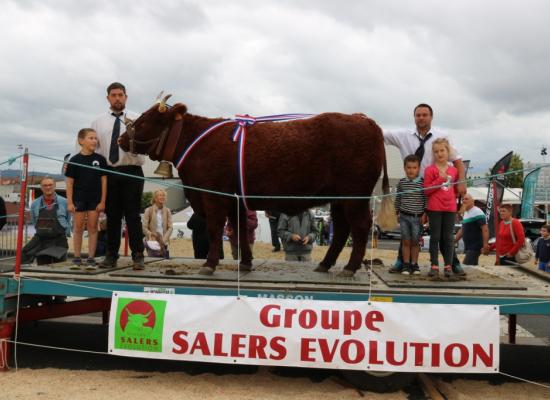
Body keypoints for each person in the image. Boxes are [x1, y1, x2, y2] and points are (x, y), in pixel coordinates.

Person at [383, 103, 467, 275]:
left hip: (439, 191)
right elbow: (379, 133)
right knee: (408, 224)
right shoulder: (403, 135)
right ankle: (402, 262)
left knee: (442, 230)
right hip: (415, 189)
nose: (421, 118)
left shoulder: (442, 136)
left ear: (431, 117)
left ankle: (452, 262)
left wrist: (462, 182)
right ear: (414, 117)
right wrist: (363, 119)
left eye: (425, 115)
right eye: (418, 115)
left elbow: (457, 160)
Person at [92, 82, 145, 270]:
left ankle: (138, 256)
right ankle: (110, 256)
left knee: (133, 216)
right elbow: (94, 150)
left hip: (132, 171)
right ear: (108, 98)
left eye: (120, 95)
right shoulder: (97, 122)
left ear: (126, 97)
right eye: (113, 95)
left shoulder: (138, 119)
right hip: (109, 172)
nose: (117, 98)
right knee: (112, 217)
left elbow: (145, 146)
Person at [65, 128, 107, 266]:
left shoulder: (100, 160)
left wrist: (102, 201)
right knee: (78, 227)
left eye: (96, 138)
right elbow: (69, 183)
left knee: (93, 227)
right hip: (79, 199)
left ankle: (90, 257)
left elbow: (104, 181)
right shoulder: (75, 160)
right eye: (91, 138)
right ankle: (77, 257)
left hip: (95, 200)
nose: (94, 140)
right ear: (81, 141)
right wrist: (70, 202)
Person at [424, 138, 459, 278]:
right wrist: (440, 179)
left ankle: (448, 266)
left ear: (447, 151)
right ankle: (434, 265)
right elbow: (426, 190)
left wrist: (455, 204)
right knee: (435, 237)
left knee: (449, 238)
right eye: (436, 151)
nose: (439, 154)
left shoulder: (454, 170)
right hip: (435, 207)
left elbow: (455, 189)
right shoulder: (429, 170)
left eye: (442, 150)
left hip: (450, 208)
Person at [22, 177, 71, 265]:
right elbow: (34, 221)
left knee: (60, 269)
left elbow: (68, 219)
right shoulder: (35, 204)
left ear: (54, 186)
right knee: (42, 269)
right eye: (45, 185)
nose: (48, 187)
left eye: (50, 185)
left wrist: (66, 232)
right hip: (42, 242)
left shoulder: (65, 202)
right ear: (41, 188)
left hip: (59, 242)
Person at [393, 154, 426, 275]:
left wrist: (425, 213)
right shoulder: (402, 183)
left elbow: (425, 198)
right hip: (404, 217)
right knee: (405, 241)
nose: (411, 170)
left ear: (418, 168)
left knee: (415, 242)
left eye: (414, 167)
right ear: (404, 168)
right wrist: (396, 211)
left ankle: (414, 264)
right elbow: (398, 198)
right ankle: (406, 265)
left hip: (417, 217)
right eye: (409, 167)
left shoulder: (422, 183)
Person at [453, 193, 490, 266]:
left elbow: (485, 229)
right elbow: (463, 229)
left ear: (472, 201)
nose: (464, 201)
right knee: (473, 266)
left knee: (467, 265)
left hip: (475, 246)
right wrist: (454, 240)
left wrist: (485, 245)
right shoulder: (466, 213)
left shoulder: (477, 211)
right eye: (463, 199)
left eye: (466, 199)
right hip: (469, 246)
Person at [142, 189, 173, 258]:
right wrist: (151, 235)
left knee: (164, 262)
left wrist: (164, 240)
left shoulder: (167, 211)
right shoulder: (148, 210)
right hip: (152, 242)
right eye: (160, 195)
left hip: (164, 242)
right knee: (153, 261)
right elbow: (144, 227)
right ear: (155, 198)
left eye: (164, 195)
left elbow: (170, 227)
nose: (162, 197)